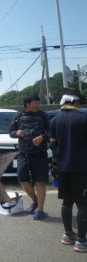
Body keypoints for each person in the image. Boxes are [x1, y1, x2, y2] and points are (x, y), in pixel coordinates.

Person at [49, 88, 87, 253]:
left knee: (67, 202)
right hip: (81, 168)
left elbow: (53, 143)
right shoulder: (83, 119)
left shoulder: (55, 120)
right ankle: (81, 241)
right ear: (77, 102)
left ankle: (68, 234)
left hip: (62, 167)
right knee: (83, 203)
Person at [9, 93, 49, 220]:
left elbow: (52, 131)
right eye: (35, 103)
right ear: (27, 104)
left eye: (38, 103)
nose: (38, 105)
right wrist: (17, 133)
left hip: (40, 154)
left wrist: (43, 137)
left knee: (40, 182)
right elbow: (11, 132)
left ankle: (41, 209)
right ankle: (35, 201)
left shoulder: (43, 116)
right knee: (23, 181)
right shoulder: (19, 116)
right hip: (23, 154)